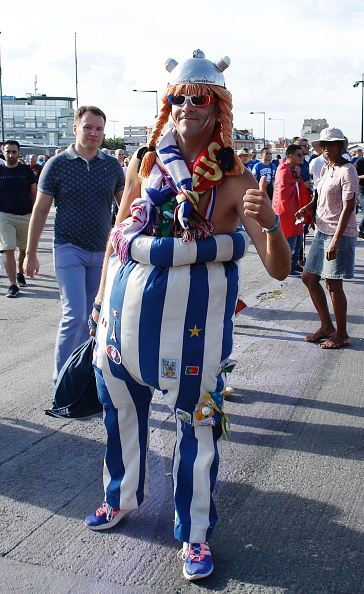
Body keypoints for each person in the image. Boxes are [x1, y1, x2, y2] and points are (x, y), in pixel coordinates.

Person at [85, 49, 291, 581]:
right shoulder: (144, 163)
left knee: (197, 431)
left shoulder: (236, 184)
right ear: (167, 103)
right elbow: (116, 239)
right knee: (119, 417)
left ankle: (194, 533)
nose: (186, 105)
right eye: (177, 96)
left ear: (218, 106)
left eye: (199, 97)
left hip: (193, 335)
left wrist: (270, 223)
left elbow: (279, 270)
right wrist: (99, 301)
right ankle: (121, 497)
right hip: (124, 325)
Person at [24, 106, 125, 382]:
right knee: (75, 315)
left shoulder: (112, 165)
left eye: (99, 129)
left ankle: (82, 377)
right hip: (69, 249)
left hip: (101, 253)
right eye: (88, 127)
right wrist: (31, 254)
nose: (94, 133)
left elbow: (125, 208)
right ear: (75, 128)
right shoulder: (57, 165)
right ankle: (61, 382)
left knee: (93, 319)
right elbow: (41, 211)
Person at [296, 127, 358, 349]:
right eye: (324, 145)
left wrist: (336, 240)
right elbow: (319, 194)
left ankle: (340, 334)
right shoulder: (326, 168)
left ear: (341, 146)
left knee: (333, 283)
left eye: (332, 144)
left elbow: (348, 207)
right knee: (309, 278)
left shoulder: (347, 169)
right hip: (321, 230)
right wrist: (308, 207)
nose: (327, 149)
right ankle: (326, 326)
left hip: (338, 233)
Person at [0, 140, 37, 297]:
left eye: (14, 152)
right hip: (4, 215)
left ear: (19, 153)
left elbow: (34, 192)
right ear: (3, 153)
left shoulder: (26, 171)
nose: (11, 155)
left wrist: (34, 211)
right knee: (8, 249)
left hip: (25, 215)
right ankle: (13, 285)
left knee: (23, 249)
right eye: (8, 151)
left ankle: (19, 273)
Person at [272, 144, 310, 277]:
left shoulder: (289, 169)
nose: (302, 157)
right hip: (287, 211)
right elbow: (285, 192)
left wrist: (298, 178)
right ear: (290, 156)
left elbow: (293, 186)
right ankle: (286, 267)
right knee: (290, 241)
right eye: (299, 155)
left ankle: (293, 264)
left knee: (299, 239)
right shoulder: (284, 171)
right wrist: (299, 180)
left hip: (294, 209)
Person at [355, 154, 364, 239]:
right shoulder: (359, 162)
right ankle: (360, 228)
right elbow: (354, 176)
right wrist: (362, 176)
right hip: (361, 190)